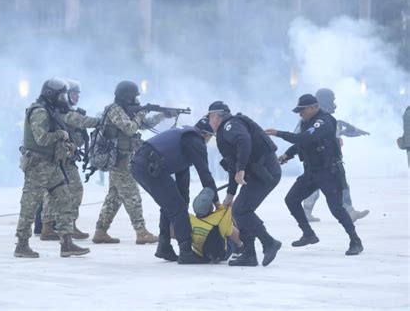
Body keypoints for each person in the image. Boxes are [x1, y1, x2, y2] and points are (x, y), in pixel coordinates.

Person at [266, 94, 363, 256]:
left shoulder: (323, 121)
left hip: (329, 172)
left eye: (302, 110)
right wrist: (286, 155)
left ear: (314, 107)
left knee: (336, 209)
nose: (300, 114)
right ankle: (308, 234)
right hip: (312, 171)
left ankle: (355, 241)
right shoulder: (307, 122)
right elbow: (302, 144)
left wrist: (279, 133)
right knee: (291, 199)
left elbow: (304, 138)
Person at [14, 77, 90, 258]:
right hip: (38, 166)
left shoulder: (51, 110)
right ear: (51, 95)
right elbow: (41, 139)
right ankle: (22, 245)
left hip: (52, 164)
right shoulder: (40, 111)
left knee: (65, 199)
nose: (64, 99)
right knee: (30, 206)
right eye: (61, 95)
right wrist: (60, 134)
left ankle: (67, 243)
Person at [131, 117, 219, 264]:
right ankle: (186, 252)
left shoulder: (184, 137)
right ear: (206, 135)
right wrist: (216, 201)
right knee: (176, 207)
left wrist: (184, 201)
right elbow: (205, 174)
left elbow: (182, 182)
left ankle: (164, 246)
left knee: (172, 203)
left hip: (140, 164)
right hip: (149, 166)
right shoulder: (195, 142)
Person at [207, 101, 282, 267]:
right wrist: (230, 195)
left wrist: (241, 169)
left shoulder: (229, 126)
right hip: (260, 173)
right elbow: (232, 165)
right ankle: (250, 254)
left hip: (265, 173)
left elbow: (243, 140)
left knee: (241, 210)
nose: (209, 121)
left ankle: (268, 242)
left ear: (216, 116)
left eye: (209, 117)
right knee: (239, 209)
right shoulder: (226, 129)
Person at [92, 80, 168, 245]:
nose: (136, 101)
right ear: (126, 97)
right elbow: (130, 128)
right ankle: (141, 232)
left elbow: (144, 125)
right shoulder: (114, 110)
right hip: (120, 160)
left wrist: (163, 115)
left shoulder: (124, 111)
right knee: (132, 195)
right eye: (134, 97)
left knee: (114, 197)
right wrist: (142, 112)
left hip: (124, 158)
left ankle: (100, 231)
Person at [39, 79, 98, 241]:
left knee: (53, 193)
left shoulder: (61, 111)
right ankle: (67, 226)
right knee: (75, 190)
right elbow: (83, 122)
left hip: (63, 158)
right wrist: (102, 121)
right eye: (73, 94)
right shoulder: (64, 113)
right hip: (64, 160)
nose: (76, 97)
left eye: (77, 94)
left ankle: (48, 227)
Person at [301, 88, 370, 223]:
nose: (334, 103)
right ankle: (307, 212)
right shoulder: (309, 119)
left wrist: (353, 130)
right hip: (318, 160)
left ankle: (349, 211)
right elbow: (302, 136)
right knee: (319, 186)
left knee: (339, 185)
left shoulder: (325, 118)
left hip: (328, 160)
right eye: (332, 100)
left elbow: (337, 130)